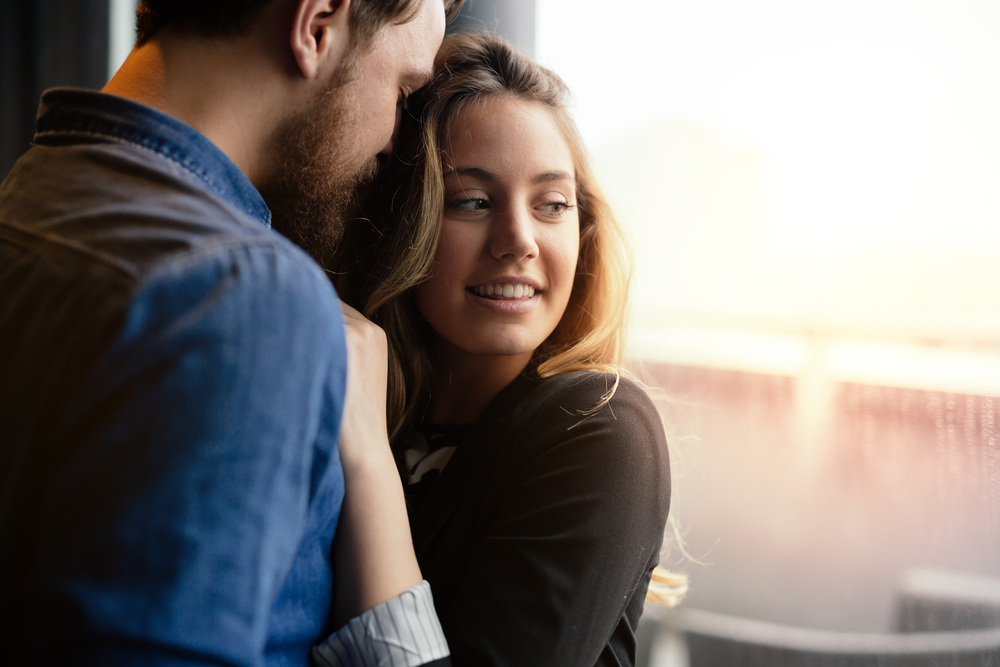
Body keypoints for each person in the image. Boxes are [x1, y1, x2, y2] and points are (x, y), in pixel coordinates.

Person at [0, 1, 463, 665]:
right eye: (404, 89)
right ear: (317, 24)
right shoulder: (241, 293)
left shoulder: (29, 200)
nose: (396, 138)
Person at [330, 33, 686, 667]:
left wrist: (366, 466)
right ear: (403, 220)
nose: (518, 240)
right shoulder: (371, 405)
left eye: (552, 204)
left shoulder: (601, 426)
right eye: (472, 201)